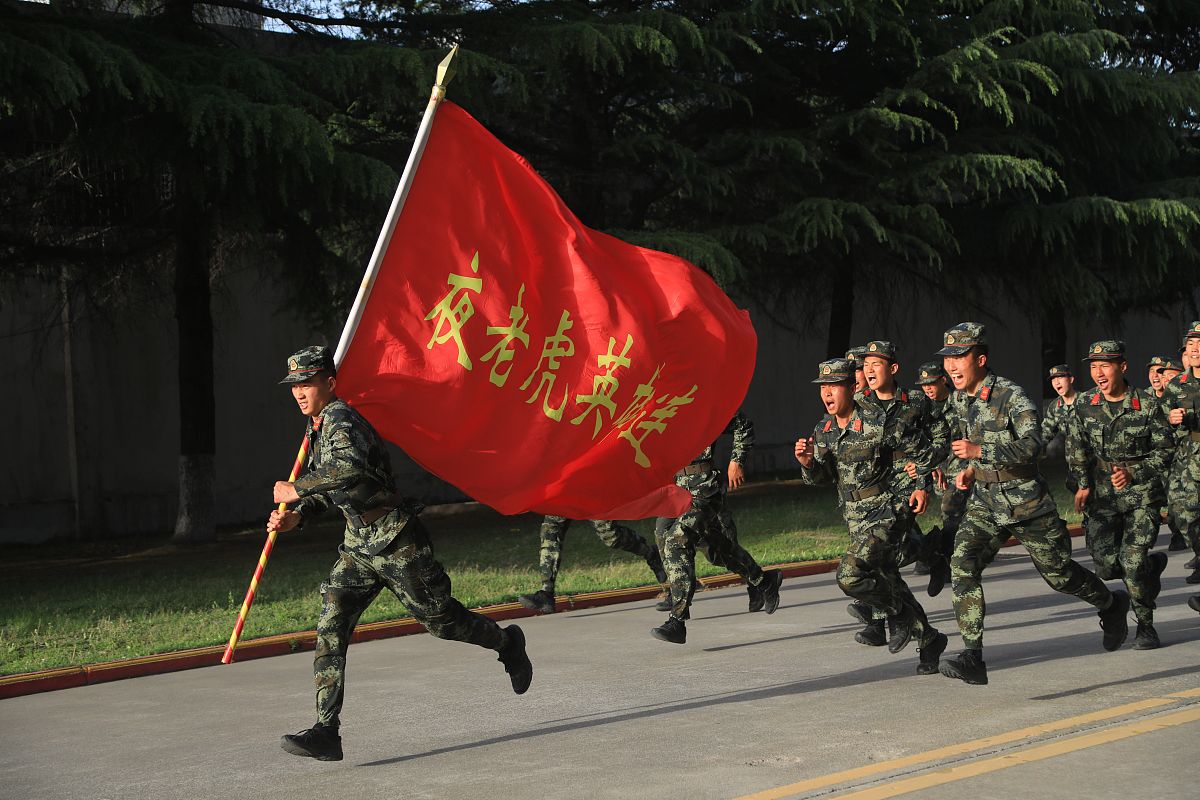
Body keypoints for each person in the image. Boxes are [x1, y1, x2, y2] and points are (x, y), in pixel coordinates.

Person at [268, 346, 532, 761]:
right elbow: (336, 490)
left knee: (442, 621)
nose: (300, 392)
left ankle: (506, 643)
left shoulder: (343, 420)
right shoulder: (316, 427)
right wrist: (298, 516)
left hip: (396, 539)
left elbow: (350, 468)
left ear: (330, 383)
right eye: (295, 386)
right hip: (358, 546)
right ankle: (326, 731)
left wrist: (297, 488)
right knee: (332, 621)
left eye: (308, 383)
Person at [935, 323, 1129, 685]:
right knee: (962, 564)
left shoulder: (1012, 396)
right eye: (947, 359)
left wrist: (981, 452)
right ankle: (972, 657)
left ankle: (1111, 604)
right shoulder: (960, 399)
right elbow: (966, 444)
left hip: (1027, 504)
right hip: (986, 503)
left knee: (1059, 574)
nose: (952, 367)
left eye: (959, 358)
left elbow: (1034, 446)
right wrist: (967, 469)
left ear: (980, 358)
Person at [794, 358, 947, 674]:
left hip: (886, 512)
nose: (827, 393)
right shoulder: (823, 430)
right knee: (889, 579)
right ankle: (929, 639)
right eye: (823, 388)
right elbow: (824, 477)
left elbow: (925, 453)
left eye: (834, 386)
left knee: (849, 575)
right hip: (855, 518)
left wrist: (920, 486)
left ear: (852, 388)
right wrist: (808, 463)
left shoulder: (878, 422)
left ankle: (897, 614)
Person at [1065, 340, 1171, 649]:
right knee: (1106, 565)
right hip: (1102, 496)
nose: (1099, 372)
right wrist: (1083, 484)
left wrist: (1134, 472)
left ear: (1122, 367)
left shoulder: (1147, 405)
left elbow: (1165, 451)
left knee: (1131, 561)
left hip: (1141, 495)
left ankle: (1146, 626)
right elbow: (1077, 450)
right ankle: (1151, 569)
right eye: (1094, 366)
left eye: (1105, 365)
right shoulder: (1084, 404)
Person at [650, 410, 783, 644]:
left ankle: (677, 620)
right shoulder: (661, 407)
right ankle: (763, 581)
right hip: (676, 489)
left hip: (703, 489)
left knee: (676, 540)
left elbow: (743, 424)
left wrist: (736, 461)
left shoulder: (701, 403)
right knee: (713, 549)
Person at [847, 342, 949, 645]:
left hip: (906, 481)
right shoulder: (859, 404)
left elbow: (941, 433)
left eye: (875, 364)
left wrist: (927, 468)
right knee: (888, 553)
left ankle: (882, 621)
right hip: (877, 488)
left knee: (881, 554)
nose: (868, 370)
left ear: (893, 369)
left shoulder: (914, 401)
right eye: (865, 365)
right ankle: (932, 552)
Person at [517, 516, 667, 614]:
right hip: (565, 485)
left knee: (610, 536)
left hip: (592, 484)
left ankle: (650, 553)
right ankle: (546, 592)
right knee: (550, 530)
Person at [915, 360, 967, 596]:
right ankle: (937, 555)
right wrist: (929, 465)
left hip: (960, 466)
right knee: (950, 517)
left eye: (931, 383)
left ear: (942, 380)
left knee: (951, 512)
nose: (927, 388)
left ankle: (943, 559)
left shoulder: (960, 401)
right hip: (937, 468)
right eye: (923, 384)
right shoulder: (923, 408)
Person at [1161, 322, 1200, 583]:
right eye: (1191, 344)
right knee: (1183, 512)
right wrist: (1171, 417)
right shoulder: (1177, 385)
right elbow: (1160, 418)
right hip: (1188, 456)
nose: (1195, 349)